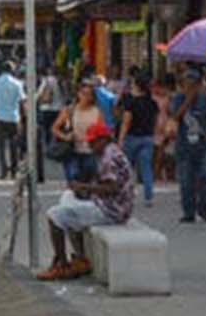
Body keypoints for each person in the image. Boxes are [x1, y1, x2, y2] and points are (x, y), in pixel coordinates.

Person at [39, 119, 135, 281]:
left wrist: (84, 188)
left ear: (103, 139)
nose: (90, 146)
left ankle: (62, 265)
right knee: (68, 199)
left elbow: (111, 189)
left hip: (111, 210)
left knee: (54, 216)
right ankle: (80, 256)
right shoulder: (111, 151)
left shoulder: (108, 158)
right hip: (112, 205)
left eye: (92, 142)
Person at [169, 69, 206, 224]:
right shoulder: (178, 99)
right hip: (184, 146)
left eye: (193, 85)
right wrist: (188, 101)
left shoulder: (205, 100)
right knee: (186, 181)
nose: (189, 88)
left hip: (203, 146)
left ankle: (204, 208)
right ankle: (188, 212)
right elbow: (175, 117)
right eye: (186, 85)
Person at [117, 70, 160, 208]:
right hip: (147, 137)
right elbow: (156, 121)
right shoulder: (152, 103)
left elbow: (126, 122)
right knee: (146, 168)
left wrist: (120, 139)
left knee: (128, 168)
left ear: (136, 85)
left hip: (132, 137)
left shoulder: (131, 103)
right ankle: (149, 197)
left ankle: (127, 195)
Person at [55, 77, 106, 185]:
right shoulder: (70, 110)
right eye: (83, 93)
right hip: (72, 152)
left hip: (90, 153)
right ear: (78, 94)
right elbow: (55, 128)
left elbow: (102, 132)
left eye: (89, 94)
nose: (86, 97)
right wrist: (66, 137)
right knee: (73, 183)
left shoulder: (97, 112)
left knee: (87, 184)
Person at [0, 63, 26, 180]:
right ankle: (14, 170)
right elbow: (22, 102)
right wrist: (23, 119)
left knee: (1, 146)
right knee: (14, 146)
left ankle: (4, 170)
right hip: (14, 118)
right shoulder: (18, 83)